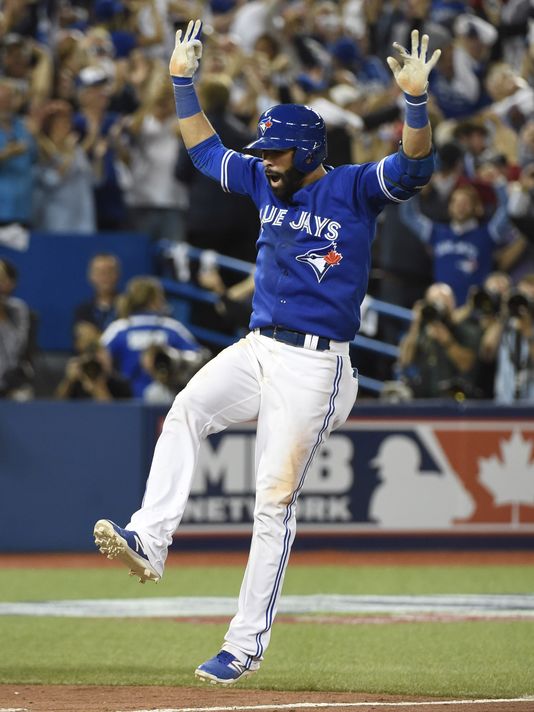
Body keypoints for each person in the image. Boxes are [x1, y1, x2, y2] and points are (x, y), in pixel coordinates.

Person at [93, 21, 440, 684]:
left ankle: (245, 644)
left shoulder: (354, 189)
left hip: (318, 365)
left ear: (309, 150)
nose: (268, 159)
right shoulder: (261, 180)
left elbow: (416, 165)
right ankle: (150, 539)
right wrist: (181, 81)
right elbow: (203, 152)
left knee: (273, 500)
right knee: (187, 409)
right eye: (266, 151)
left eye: (279, 152)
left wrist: (415, 104)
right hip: (259, 347)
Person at [100, 275, 200, 398]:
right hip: (167, 405)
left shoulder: (118, 329)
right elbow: (198, 360)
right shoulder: (172, 328)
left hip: (127, 404)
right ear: (155, 299)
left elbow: (97, 362)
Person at [397, 282, 480, 398]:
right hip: (423, 398)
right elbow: (404, 360)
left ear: (453, 303)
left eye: (445, 300)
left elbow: (467, 365)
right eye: (434, 301)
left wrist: (448, 341)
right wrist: (415, 323)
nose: (440, 306)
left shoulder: (465, 328)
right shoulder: (421, 329)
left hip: (456, 398)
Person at [74, 253, 121, 334]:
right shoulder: (83, 311)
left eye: (110, 272)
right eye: (101, 273)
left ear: (117, 274)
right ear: (91, 276)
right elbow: (81, 343)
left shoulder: (129, 307)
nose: (106, 277)